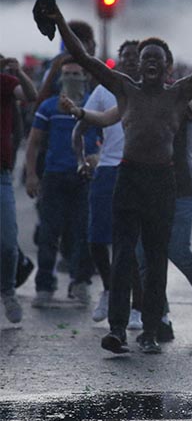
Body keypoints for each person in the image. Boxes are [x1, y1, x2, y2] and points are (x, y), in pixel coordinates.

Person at [39, 0, 192, 354]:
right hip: (129, 178)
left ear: (168, 66)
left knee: (155, 260)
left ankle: (150, 331)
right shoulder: (125, 88)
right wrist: (60, 20)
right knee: (123, 256)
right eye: (145, 58)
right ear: (138, 65)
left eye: (157, 58)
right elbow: (85, 59)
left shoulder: (179, 93)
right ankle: (117, 330)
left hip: (162, 182)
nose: (151, 62)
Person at [72, 40, 143, 325]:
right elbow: (80, 128)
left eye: (136, 56)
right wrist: (81, 160)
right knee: (97, 238)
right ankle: (109, 288)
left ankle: (137, 306)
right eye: (126, 56)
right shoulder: (104, 91)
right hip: (108, 169)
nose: (131, 60)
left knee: (131, 243)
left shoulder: (150, 91)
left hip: (138, 170)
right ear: (119, 60)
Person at [25, 58, 97, 309]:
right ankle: (45, 285)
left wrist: (97, 157)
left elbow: (108, 137)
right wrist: (31, 174)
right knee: (48, 234)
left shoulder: (93, 106)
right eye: (67, 74)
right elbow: (34, 142)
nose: (71, 78)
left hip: (84, 177)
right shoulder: (49, 107)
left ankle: (80, 282)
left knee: (83, 233)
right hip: (54, 176)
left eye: (76, 74)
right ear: (59, 78)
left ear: (85, 77)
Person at [1, 56, 37, 323]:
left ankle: (7, 291)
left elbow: (30, 95)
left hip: (1, 175)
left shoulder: (4, 82)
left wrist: (20, 73)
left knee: (7, 243)